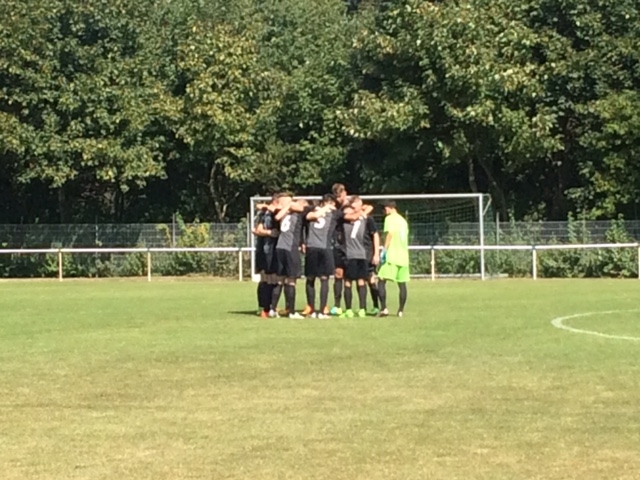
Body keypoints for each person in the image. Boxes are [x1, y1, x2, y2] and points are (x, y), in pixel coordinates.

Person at [303, 194, 343, 318]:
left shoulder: (312, 210)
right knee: (322, 279)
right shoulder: (333, 213)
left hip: (313, 247)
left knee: (312, 278)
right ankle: (320, 310)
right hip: (323, 248)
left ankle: (314, 309)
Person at [272, 195, 311, 319]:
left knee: (280, 279)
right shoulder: (299, 214)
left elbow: (277, 217)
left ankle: (273, 309)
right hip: (290, 248)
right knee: (291, 280)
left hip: (280, 247)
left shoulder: (284, 214)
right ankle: (292, 312)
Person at [339, 196, 374, 318]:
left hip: (357, 254)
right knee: (350, 281)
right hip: (352, 253)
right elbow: (366, 209)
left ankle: (360, 309)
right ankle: (352, 309)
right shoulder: (352, 217)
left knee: (357, 281)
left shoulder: (361, 217)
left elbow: (369, 207)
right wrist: (363, 211)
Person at [377, 200, 410, 317]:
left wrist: (384, 250)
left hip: (392, 255)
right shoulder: (403, 220)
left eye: (385, 208)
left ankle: (384, 308)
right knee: (402, 284)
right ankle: (400, 311)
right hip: (403, 256)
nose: (384, 211)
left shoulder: (390, 219)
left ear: (389, 208)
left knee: (381, 280)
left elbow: (390, 234)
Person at [252, 194, 281, 318]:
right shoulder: (266, 213)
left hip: (274, 250)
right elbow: (257, 230)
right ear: (276, 202)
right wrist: (269, 232)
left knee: (272, 279)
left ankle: (269, 307)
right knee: (267, 278)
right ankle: (265, 307)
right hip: (266, 250)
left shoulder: (276, 213)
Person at [362, 209, 381, 315]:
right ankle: (363, 307)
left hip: (368, 254)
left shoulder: (369, 220)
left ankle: (376, 306)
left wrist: (376, 253)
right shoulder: (354, 219)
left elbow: (376, 235)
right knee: (361, 280)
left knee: (370, 279)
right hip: (357, 254)